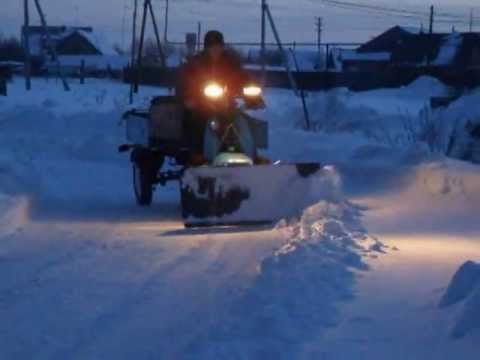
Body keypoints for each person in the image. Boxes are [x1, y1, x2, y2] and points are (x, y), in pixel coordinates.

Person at [177, 30, 252, 165]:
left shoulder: (230, 62)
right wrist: (188, 97)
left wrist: (251, 90)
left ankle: (249, 155)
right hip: (201, 105)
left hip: (226, 104)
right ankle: (197, 156)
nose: (216, 49)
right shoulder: (196, 63)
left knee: (242, 122)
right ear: (206, 47)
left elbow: (242, 77)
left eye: (219, 46)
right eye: (212, 46)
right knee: (197, 122)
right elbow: (185, 82)